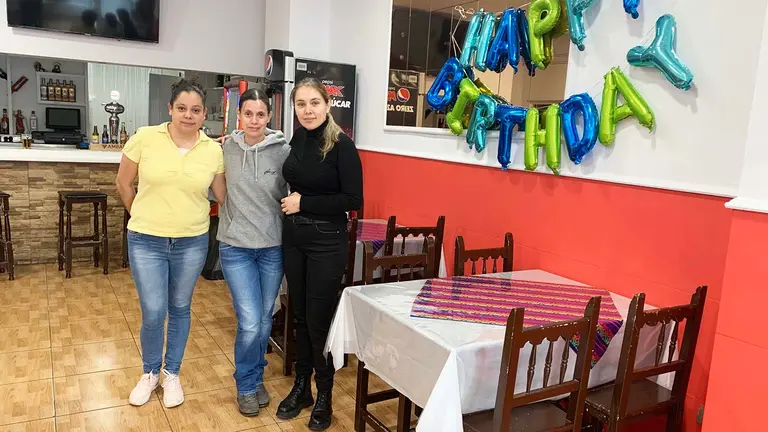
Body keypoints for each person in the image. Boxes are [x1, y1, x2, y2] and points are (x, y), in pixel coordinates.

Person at [116, 78, 226, 409]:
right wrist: (143, 217)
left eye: (195, 110)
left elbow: (222, 195)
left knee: (179, 308)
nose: (188, 116)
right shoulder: (145, 138)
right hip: (146, 241)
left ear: (204, 113)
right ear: (170, 109)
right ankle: (149, 373)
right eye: (181, 108)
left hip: (192, 242)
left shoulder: (213, 150)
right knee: (153, 310)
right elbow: (123, 182)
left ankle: (171, 373)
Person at [276, 77, 363, 431]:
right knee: (297, 314)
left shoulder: (342, 146)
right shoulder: (298, 137)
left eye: (314, 103)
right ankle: (302, 386)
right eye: (301, 104)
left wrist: (304, 202)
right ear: (294, 108)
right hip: (294, 237)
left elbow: (354, 201)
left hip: (327, 241)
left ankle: (324, 393)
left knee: (318, 321)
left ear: (328, 105)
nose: (308, 110)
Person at [216, 89, 290, 417]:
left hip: (272, 246)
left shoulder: (284, 151)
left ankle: (255, 376)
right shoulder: (225, 148)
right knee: (248, 322)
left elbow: (299, 187)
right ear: (239, 117)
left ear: (269, 117)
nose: (255, 120)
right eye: (249, 114)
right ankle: (246, 384)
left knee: (263, 320)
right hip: (236, 247)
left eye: (261, 115)